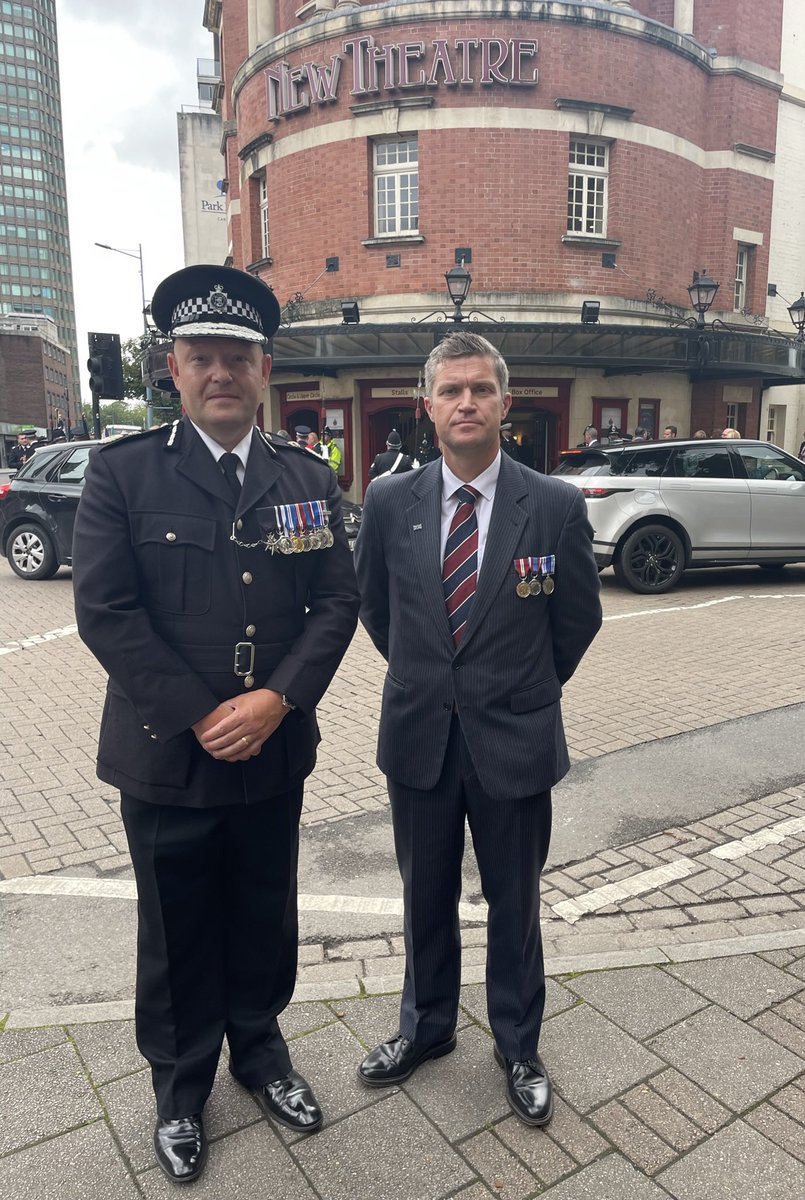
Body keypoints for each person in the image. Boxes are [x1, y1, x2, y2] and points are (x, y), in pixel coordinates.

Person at [72, 265, 360, 1185]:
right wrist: (201, 714)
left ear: (265, 369)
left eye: (238, 357)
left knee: (263, 913)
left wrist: (277, 699)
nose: (221, 373)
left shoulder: (303, 475)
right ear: (174, 367)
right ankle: (181, 1084)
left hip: (272, 747)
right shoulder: (123, 472)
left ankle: (262, 1055)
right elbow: (106, 612)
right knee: (177, 923)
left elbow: (335, 599)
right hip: (168, 752)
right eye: (203, 358)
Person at [353, 330, 602, 1127]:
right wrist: (440, 679)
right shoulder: (390, 502)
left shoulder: (554, 504)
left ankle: (519, 1043)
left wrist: (521, 690)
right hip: (421, 733)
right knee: (423, 896)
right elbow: (377, 611)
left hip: (516, 737)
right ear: (427, 407)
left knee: (514, 901)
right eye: (450, 390)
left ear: (505, 401)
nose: (466, 402)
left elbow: (577, 622)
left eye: (480, 390)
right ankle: (425, 1029)